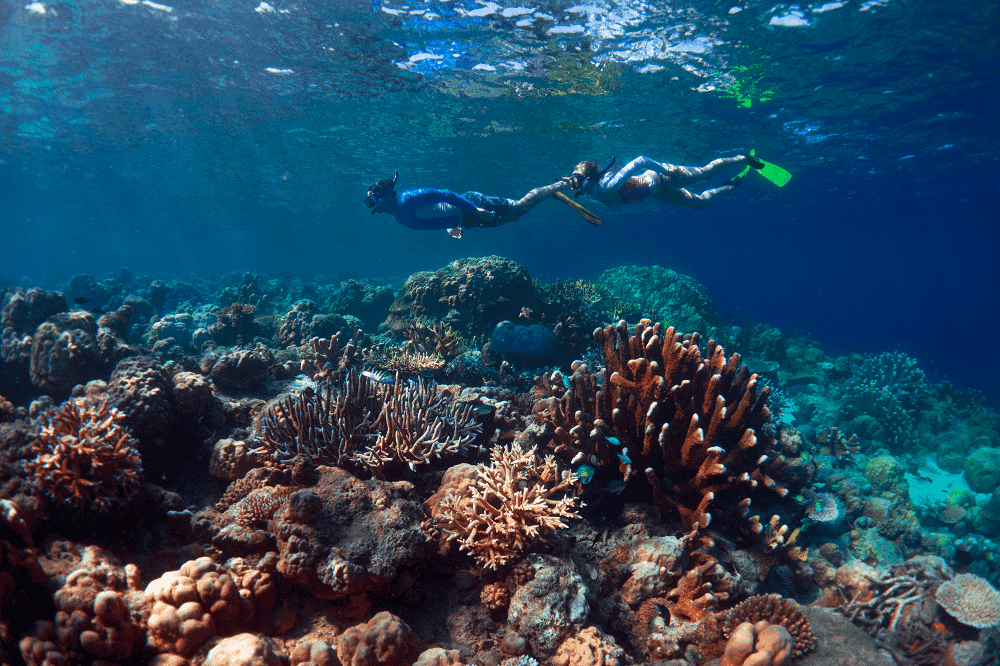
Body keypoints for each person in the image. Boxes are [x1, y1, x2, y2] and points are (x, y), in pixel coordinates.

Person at [364, 171, 575, 238]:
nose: (374, 205)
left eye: (374, 199)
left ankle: (559, 186)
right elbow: (433, 214)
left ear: (386, 195)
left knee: (518, 209)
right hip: (469, 218)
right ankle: (548, 194)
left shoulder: (406, 199)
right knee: (514, 215)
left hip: (473, 205)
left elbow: (445, 194)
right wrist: (451, 225)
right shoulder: (399, 217)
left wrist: (475, 209)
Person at [565, 153, 766, 209]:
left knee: (705, 174)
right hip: (657, 192)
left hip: (663, 177)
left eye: (575, 176)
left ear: (587, 177)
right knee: (700, 203)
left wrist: (666, 169)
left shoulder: (607, 184)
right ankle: (729, 186)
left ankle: (743, 158)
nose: (572, 181)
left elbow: (641, 160)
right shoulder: (593, 192)